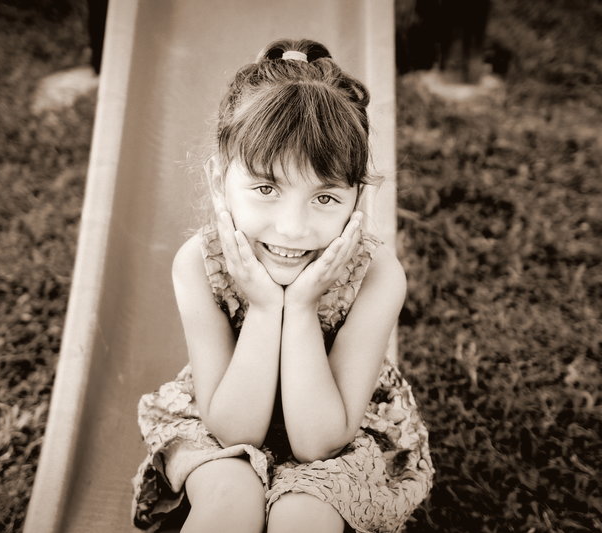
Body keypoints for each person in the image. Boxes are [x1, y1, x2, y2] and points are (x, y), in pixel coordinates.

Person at [131, 38, 433, 533]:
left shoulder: (378, 275)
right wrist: (266, 308)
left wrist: (302, 307)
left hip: (339, 436)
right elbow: (234, 431)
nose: (293, 229)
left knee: (305, 513)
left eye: (325, 198)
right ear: (218, 181)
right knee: (229, 495)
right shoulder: (198, 264)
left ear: (359, 199)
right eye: (266, 188)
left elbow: (320, 443)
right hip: (225, 418)